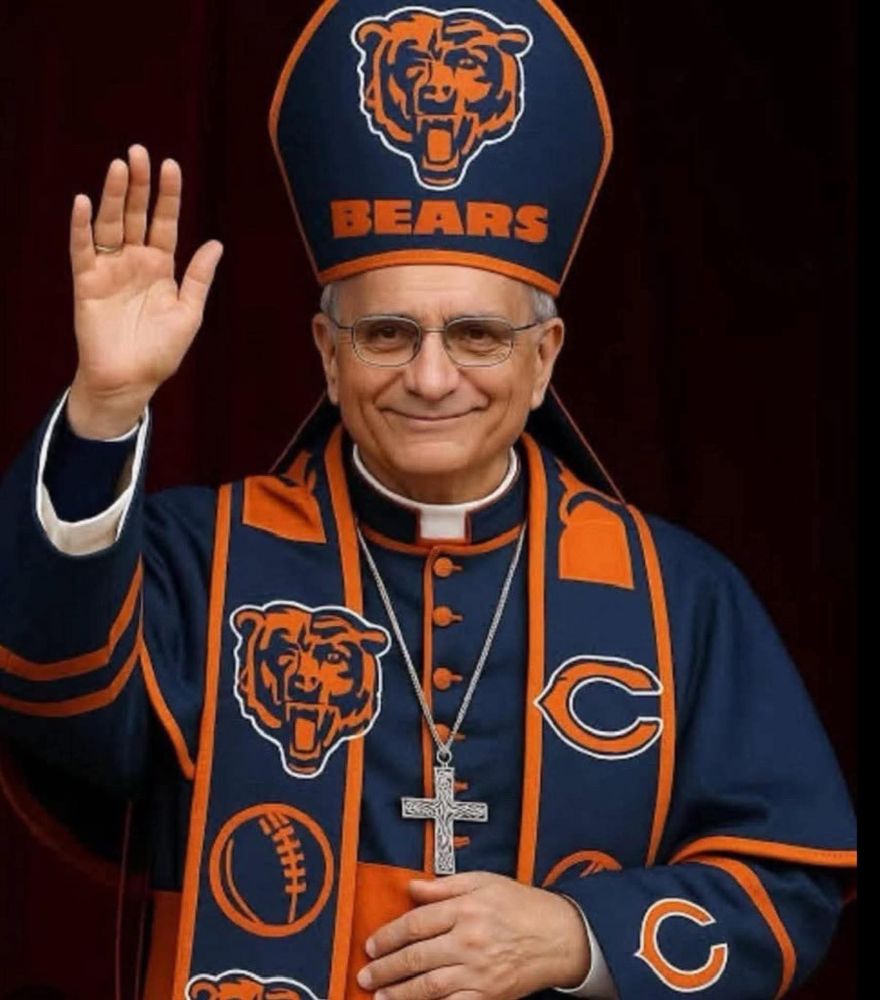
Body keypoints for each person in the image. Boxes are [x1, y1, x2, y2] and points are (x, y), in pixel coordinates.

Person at [0, 2, 856, 998]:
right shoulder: (201, 558)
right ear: (328, 355)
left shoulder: (678, 597)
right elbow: (53, 705)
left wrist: (580, 935)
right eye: (388, 333)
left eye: (480, 337)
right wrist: (106, 406)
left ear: (544, 361)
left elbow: (791, 877)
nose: (433, 377)